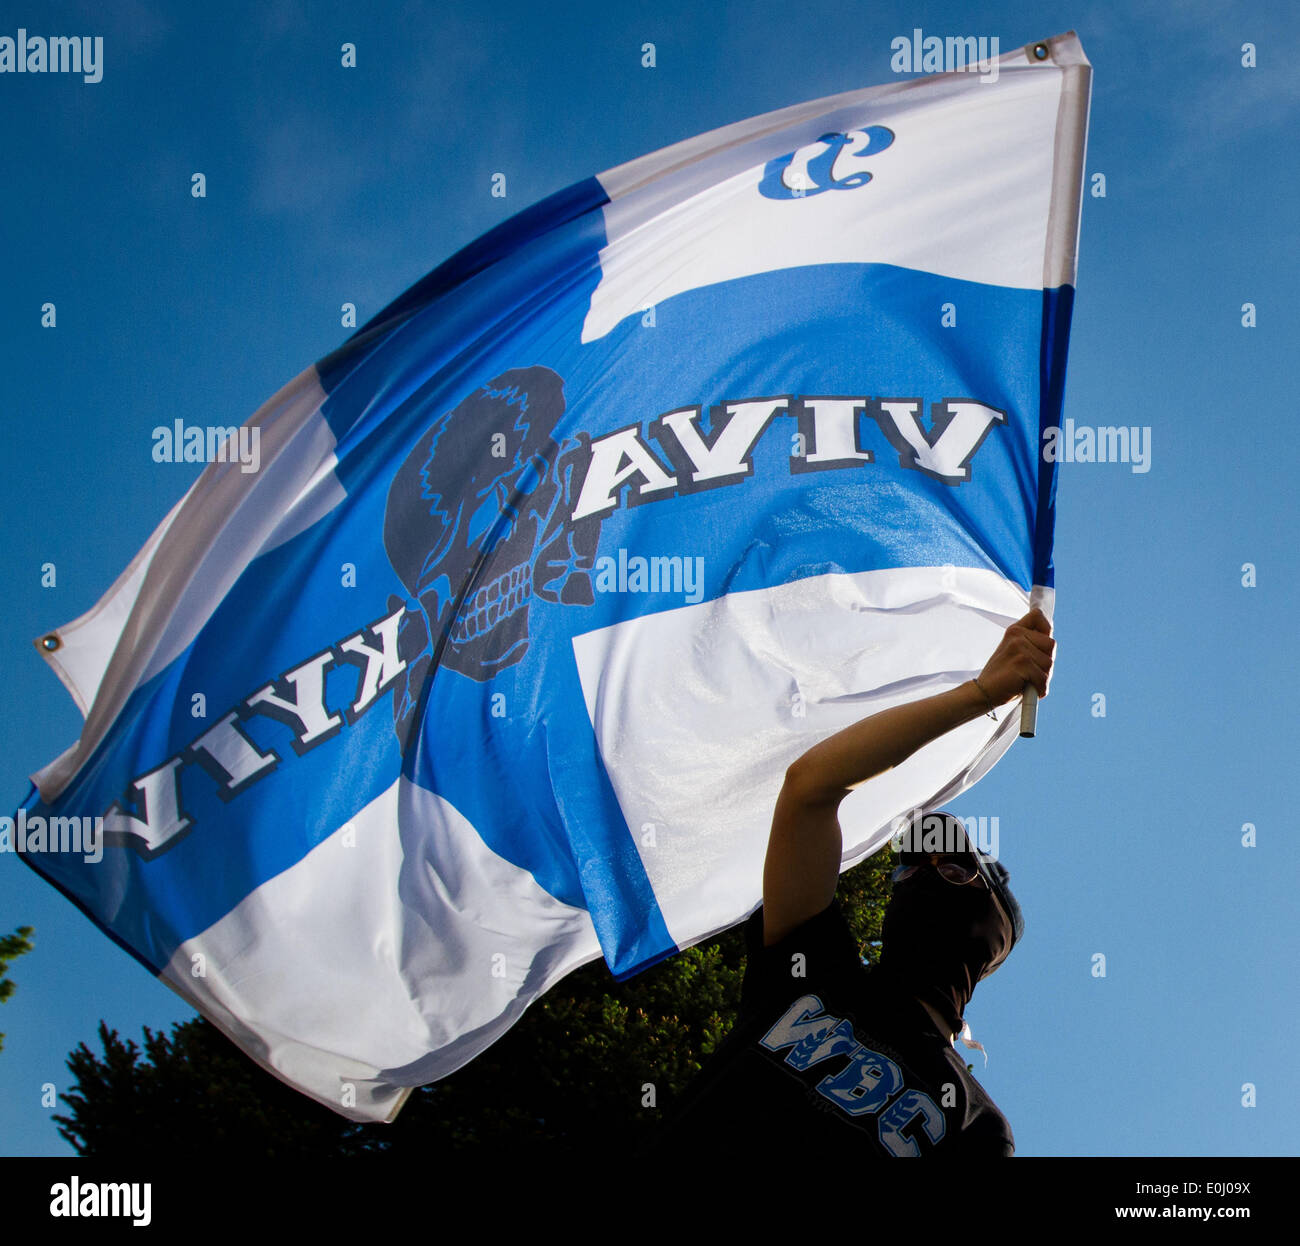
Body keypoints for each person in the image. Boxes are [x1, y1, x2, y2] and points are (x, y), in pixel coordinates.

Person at [644, 606, 1055, 1157]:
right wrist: (981, 694)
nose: (921, 875)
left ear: (989, 937)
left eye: (953, 870)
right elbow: (810, 789)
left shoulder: (977, 1125)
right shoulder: (813, 966)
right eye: (910, 867)